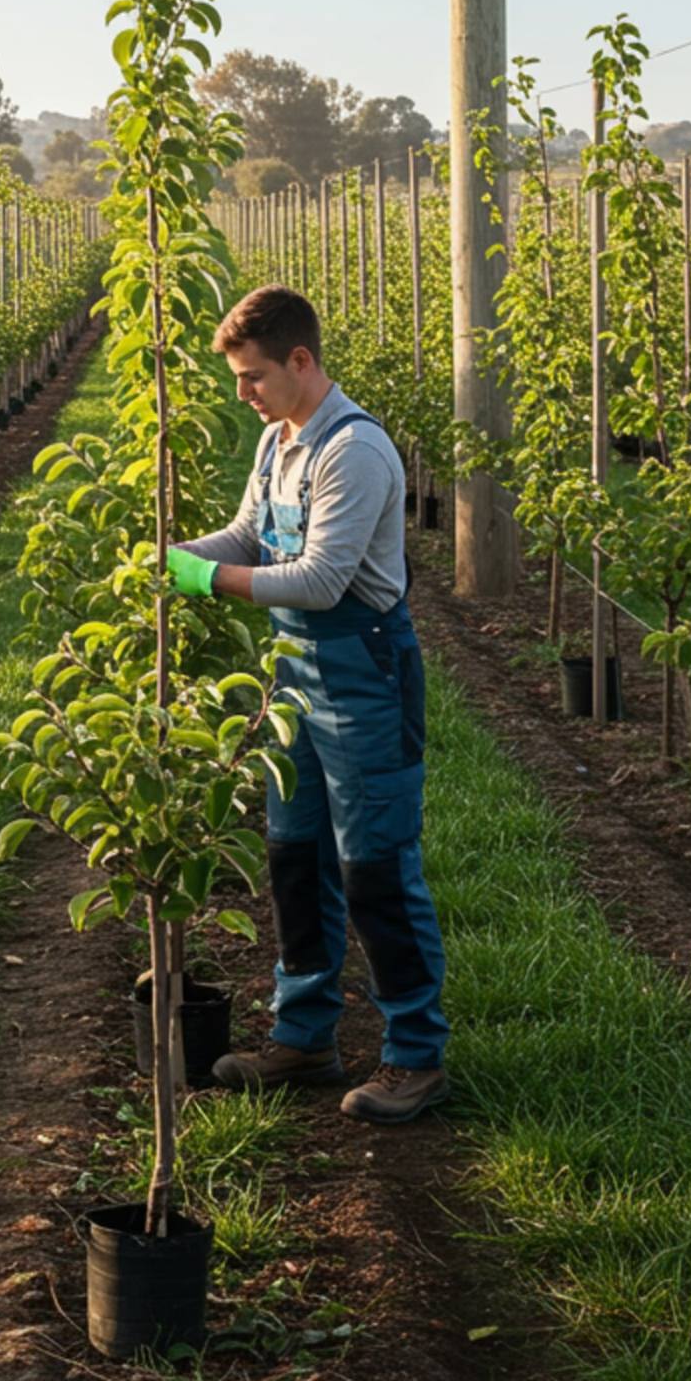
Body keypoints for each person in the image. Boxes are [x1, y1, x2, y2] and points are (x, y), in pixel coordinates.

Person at [164, 284, 449, 1124]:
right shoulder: (278, 440)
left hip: (363, 674)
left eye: (253, 376)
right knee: (295, 858)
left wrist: (206, 580)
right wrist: (170, 555)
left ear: (300, 360)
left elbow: (321, 581)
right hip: (292, 677)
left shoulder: (354, 450)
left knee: (376, 869)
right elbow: (249, 536)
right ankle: (304, 1035)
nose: (242, 393)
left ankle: (415, 1054)